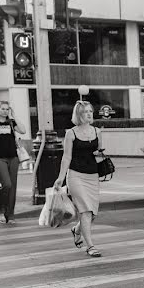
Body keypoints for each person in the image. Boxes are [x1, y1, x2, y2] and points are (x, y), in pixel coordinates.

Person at [53, 101, 104, 258]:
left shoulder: (97, 131)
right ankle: (91, 246)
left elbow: (99, 153)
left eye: (90, 111)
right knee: (86, 211)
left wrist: (104, 166)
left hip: (92, 176)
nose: (89, 114)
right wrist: (60, 178)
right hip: (76, 176)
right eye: (85, 112)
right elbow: (66, 157)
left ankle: (76, 230)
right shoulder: (71, 133)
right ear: (78, 115)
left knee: (93, 213)